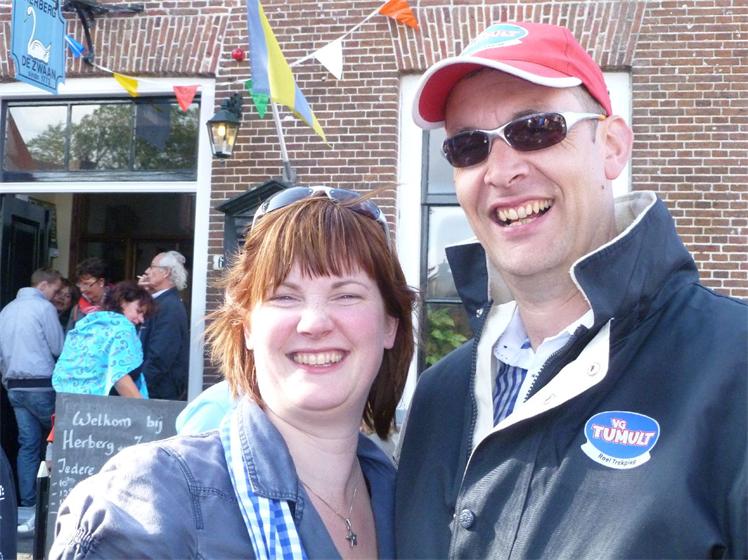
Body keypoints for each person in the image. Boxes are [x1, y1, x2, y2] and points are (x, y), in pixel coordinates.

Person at [395, 21, 747, 559]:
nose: (501, 171)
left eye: (535, 128)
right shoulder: (439, 397)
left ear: (612, 146)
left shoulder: (733, 367)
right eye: (468, 147)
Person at [50, 186, 415, 559]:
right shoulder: (152, 502)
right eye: (284, 296)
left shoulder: (411, 503)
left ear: (391, 324)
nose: (314, 323)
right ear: (248, 326)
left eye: (347, 295)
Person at [0, 268, 63, 513]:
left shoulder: (6, 310)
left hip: (14, 387)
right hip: (42, 384)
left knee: (28, 444)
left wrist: (7, 380)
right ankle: (54, 501)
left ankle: (28, 503)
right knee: (59, 439)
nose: (56, 296)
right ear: (44, 285)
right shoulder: (44, 308)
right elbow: (58, 347)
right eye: (55, 290)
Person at [52, 281, 154, 398]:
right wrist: (143, 407)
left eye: (144, 316)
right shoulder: (123, 327)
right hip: (103, 405)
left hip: (68, 397)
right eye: (139, 311)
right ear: (123, 302)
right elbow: (120, 376)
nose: (141, 319)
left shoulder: (88, 322)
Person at [136, 250, 190, 400]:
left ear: (166, 272)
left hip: (157, 393)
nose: (147, 271)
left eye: (152, 267)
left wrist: (138, 388)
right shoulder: (158, 301)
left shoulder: (169, 307)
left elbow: (160, 356)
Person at [66, 257, 108, 332]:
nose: (82, 289)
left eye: (86, 284)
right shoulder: (77, 309)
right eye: (80, 284)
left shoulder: (116, 304)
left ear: (101, 282)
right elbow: (69, 336)